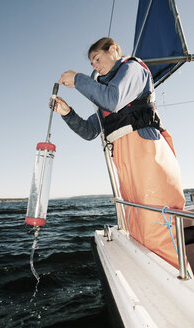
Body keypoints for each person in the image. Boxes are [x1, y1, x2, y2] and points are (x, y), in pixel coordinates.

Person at [53, 37, 185, 269]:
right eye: (91, 63)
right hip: (124, 161)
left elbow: (112, 100)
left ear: (113, 50)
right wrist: (67, 113)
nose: (94, 65)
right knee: (137, 223)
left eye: (97, 58)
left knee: (158, 224)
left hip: (146, 152)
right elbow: (88, 131)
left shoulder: (132, 68)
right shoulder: (108, 97)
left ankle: (182, 286)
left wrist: (78, 79)